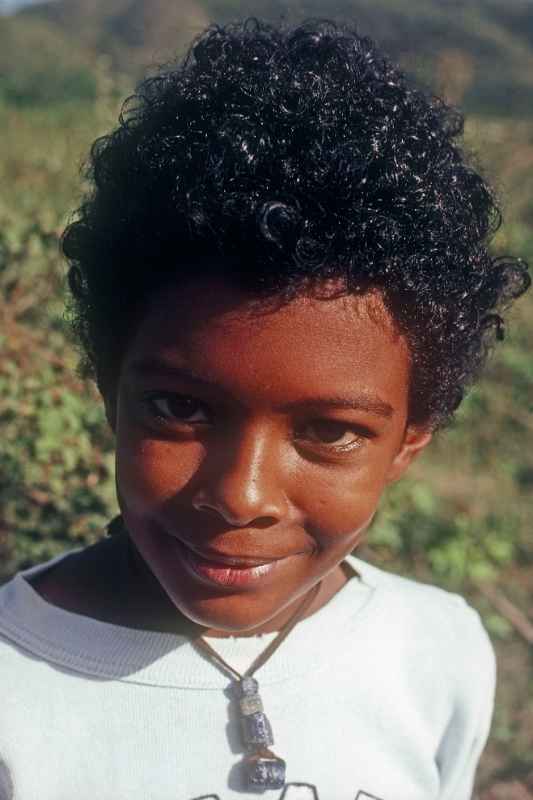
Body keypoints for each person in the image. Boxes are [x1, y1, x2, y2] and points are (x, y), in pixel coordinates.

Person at [0, 18, 529, 800]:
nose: (241, 495)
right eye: (180, 408)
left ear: (409, 442)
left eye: (330, 432)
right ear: (110, 390)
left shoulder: (437, 649)